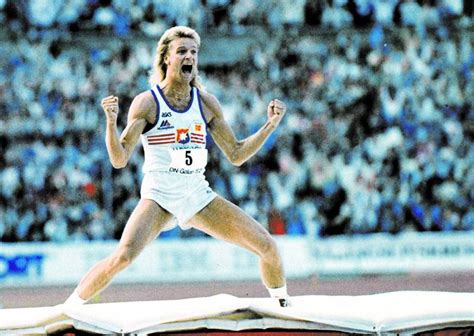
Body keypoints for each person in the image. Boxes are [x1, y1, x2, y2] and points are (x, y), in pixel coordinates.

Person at [65, 26, 289, 307]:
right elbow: (119, 159)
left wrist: (269, 126)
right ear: (166, 59)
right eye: (182, 51)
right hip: (160, 196)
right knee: (122, 257)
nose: (189, 57)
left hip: (197, 196)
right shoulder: (148, 103)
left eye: (193, 52)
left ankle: (282, 307)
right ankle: (68, 309)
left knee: (267, 246)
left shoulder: (206, 103)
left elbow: (236, 154)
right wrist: (110, 123)